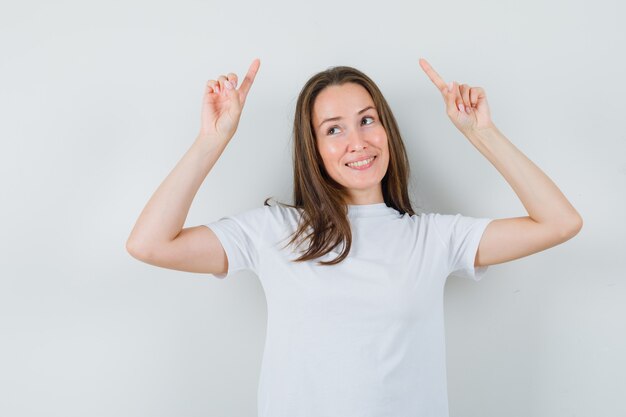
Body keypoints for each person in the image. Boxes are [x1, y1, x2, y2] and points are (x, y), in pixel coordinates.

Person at [126, 58, 582, 416]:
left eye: (367, 120)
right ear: (314, 149)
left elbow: (559, 222)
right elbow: (150, 244)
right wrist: (213, 139)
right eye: (334, 129)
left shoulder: (434, 238)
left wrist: (482, 133)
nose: (357, 142)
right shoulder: (275, 231)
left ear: (387, 130)